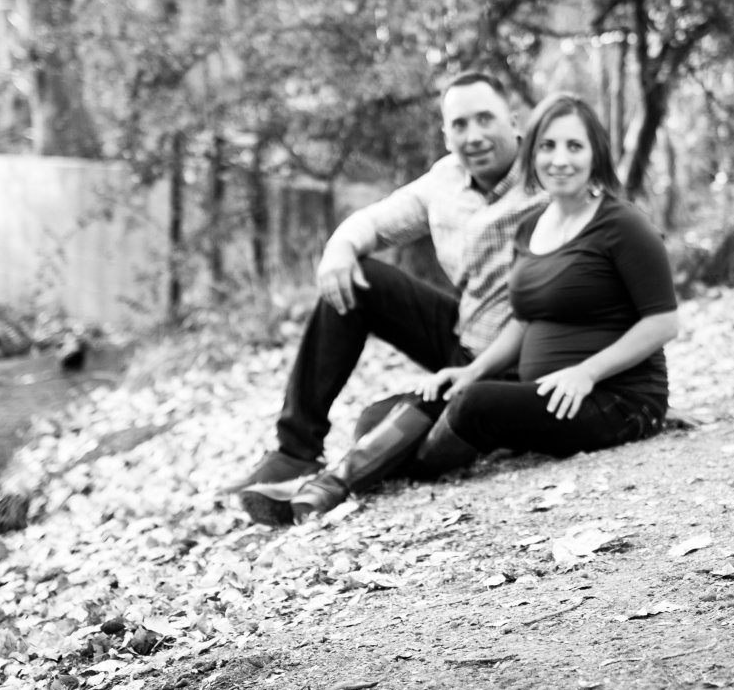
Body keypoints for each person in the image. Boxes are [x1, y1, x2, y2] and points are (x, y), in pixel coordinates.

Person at [264, 93, 680, 523]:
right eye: (548, 146)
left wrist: (587, 372)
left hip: (613, 397)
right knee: (378, 419)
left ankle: (335, 483)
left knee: (473, 404)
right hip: (538, 390)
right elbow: (524, 320)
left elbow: (665, 321)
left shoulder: (622, 223)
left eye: (574, 146)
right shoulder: (532, 227)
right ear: (532, 154)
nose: (560, 160)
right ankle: (321, 466)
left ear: (596, 154)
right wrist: (471, 371)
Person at [231, 72, 547, 525]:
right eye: (460, 125)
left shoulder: (549, 174)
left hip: (525, 353)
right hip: (466, 335)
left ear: (513, 121)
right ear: (446, 134)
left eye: (485, 119)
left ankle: (336, 480)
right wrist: (339, 249)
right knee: (359, 277)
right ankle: (294, 452)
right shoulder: (446, 180)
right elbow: (373, 222)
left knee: (376, 424)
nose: (474, 136)